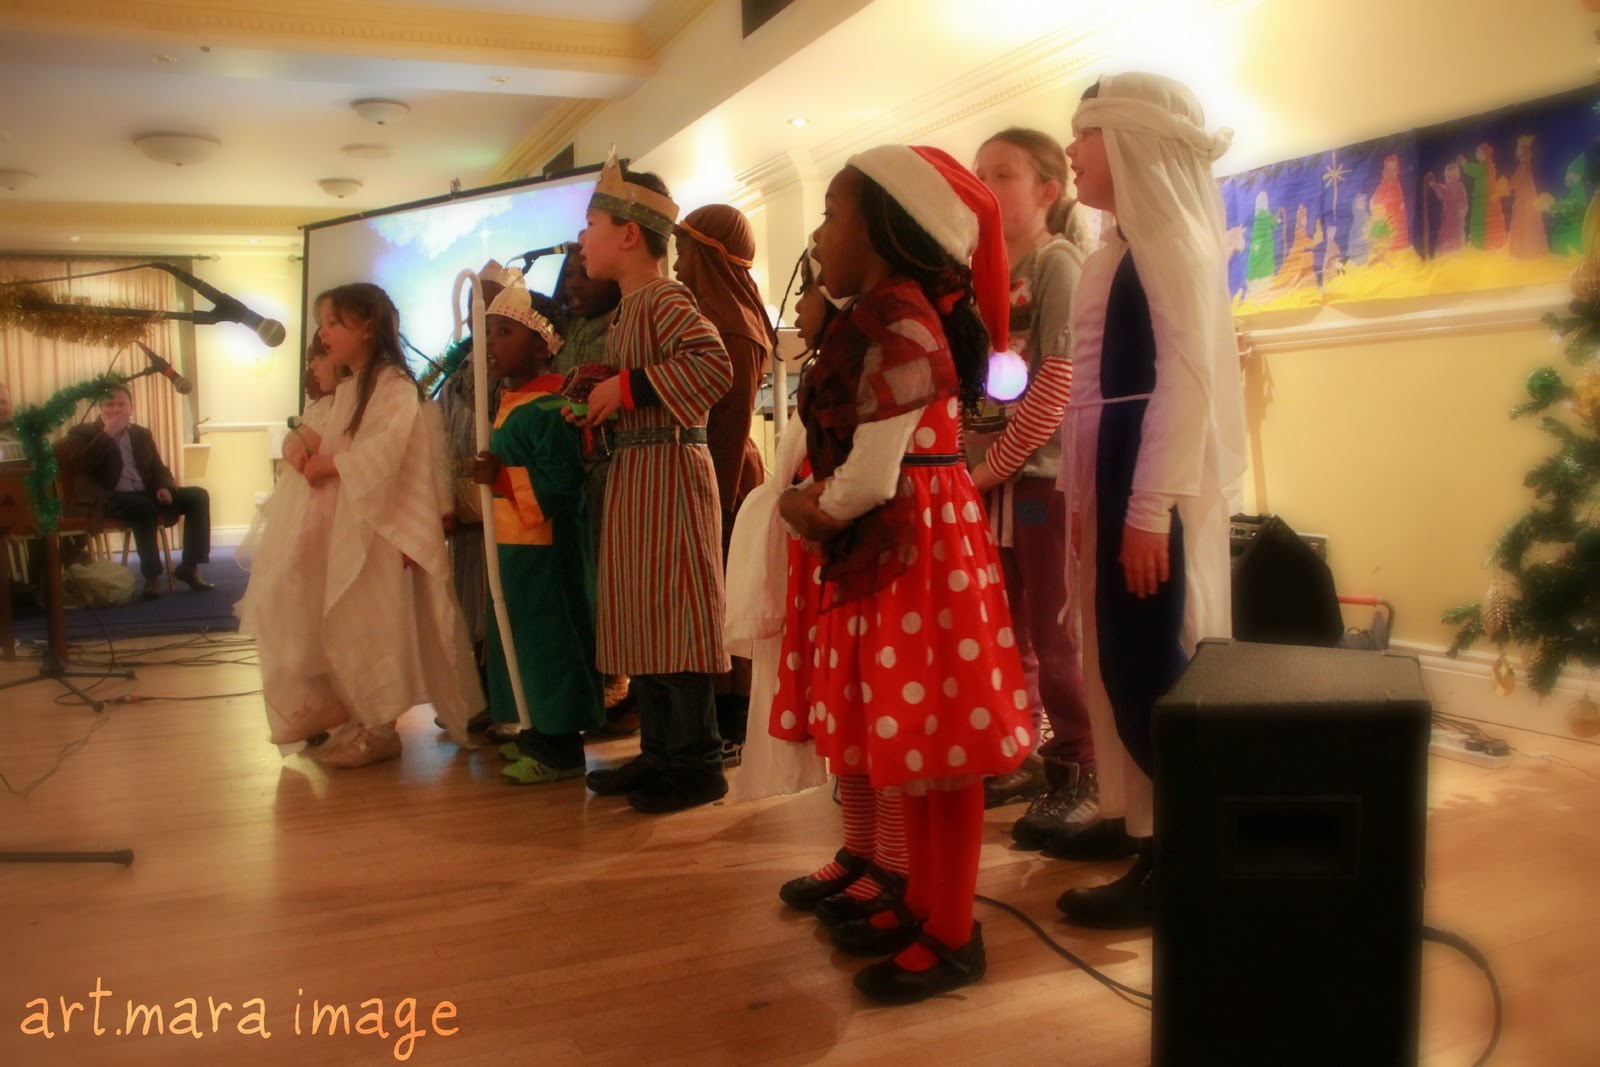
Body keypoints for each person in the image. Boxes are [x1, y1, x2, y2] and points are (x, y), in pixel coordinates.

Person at [774, 145, 1032, 1003]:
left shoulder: (899, 325)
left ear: (886, 227)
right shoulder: (892, 315)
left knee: (942, 751)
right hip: (912, 544)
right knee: (923, 744)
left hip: (913, 545)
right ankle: (925, 904)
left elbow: (872, 475)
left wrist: (811, 506)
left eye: (831, 212)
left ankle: (952, 932)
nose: (819, 234)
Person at [1052, 73, 1245, 928]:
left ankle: (1181, 849)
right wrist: (1082, 499)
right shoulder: (1114, 251)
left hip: (1145, 473)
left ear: (1132, 140)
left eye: (1085, 133)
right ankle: (1135, 817)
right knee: (1112, 656)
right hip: (1113, 465)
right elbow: (1090, 394)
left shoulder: (1172, 243)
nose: (1072, 150)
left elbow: (1185, 382)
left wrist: (1144, 509)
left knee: (1145, 659)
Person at [241, 282, 484, 768]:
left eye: (333, 323)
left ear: (368, 326)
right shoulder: (351, 387)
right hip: (347, 523)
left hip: (378, 529)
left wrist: (330, 464)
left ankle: (380, 728)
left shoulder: (394, 385)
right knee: (341, 619)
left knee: (372, 624)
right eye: (322, 324)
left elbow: (387, 452)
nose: (323, 333)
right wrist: (304, 447)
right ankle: (352, 715)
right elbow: (325, 433)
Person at [574, 154, 734, 813]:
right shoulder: (629, 310)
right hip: (640, 474)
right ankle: (661, 752)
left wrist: (628, 387)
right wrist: (601, 398)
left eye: (591, 224)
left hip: (669, 474)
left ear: (629, 233)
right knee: (645, 613)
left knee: (673, 611)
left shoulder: (665, 299)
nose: (581, 239)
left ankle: (697, 762)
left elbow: (713, 364)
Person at [966, 127, 1099, 849]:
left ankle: (1085, 763)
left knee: (1054, 629)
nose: (984, 186)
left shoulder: (1056, 264)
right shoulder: (980, 275)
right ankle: (1020, 750)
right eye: (978, 173)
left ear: (1047, 190)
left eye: (1002, 174)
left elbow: (1057, 380)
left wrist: (989, 468)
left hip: (1039, 481)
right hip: (990, 483)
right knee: (1003, 627)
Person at [471, 279, 605, 784]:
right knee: (518, 639)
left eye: (505, 332)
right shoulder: (513, 399)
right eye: (488, 332)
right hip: (513, 549)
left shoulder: (550, 406)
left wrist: (501, 477)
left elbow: (563, 479)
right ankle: (533, 728)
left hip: (545, 551)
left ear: (542, 345)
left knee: (549, 641)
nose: (491, 342)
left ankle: (560, 744)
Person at [673, 204, 773, 759]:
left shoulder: (731, 325)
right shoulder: (717, 317)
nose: (677, 264)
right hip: (717, 469)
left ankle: (731, 725)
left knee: (721, 600)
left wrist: (716, 500)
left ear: (709, 254)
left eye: (684, 250)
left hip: (724, 473)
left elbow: (728, 425)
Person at [435, 260, 512, 735]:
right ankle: (475, 695)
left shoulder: (509, 370)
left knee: (497, 601)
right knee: (468, 601)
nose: (478, 314)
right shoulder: (456, 372)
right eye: (474, 305)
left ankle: (503, 699)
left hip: (502, 501)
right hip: (462, 504)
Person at [63, 384, 212, 599]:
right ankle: (152, 576)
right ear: (101, 408)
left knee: (198, 496)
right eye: (110, 404)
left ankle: (190, 567)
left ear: (130, 408)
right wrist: (107, 434)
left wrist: (164, 487)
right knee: (144, 508)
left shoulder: (141, 434)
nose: (116, 409)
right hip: (110, 498)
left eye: (121, 404)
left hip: (146, 493)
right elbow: (84, 464)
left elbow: (158, 467)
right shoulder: (83, 433)